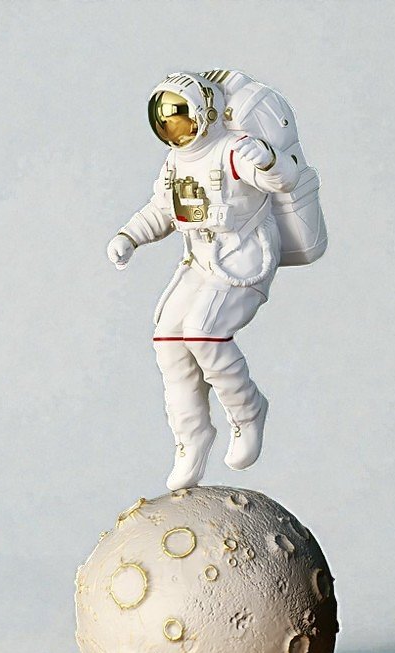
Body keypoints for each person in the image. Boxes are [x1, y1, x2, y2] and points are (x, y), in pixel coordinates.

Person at [107, 71, 299, 491]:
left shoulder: (233, 150)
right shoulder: (175, 163)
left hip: (242, 260)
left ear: (206, 113)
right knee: (169, 338)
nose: (173, 127)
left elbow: (282, 179)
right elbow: (162, 210)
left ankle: (248, 411)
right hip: (200, 263)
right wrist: (129, 236)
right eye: (165, 120)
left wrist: (266, 158)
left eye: (180, 117)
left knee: (203, 331)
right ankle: (191, 437)